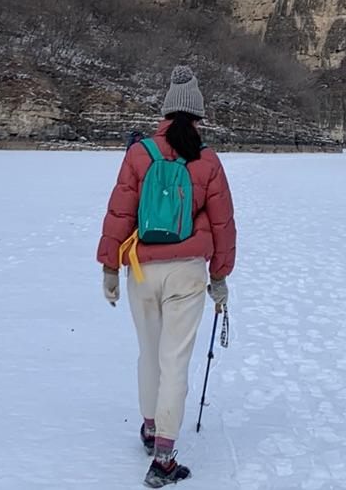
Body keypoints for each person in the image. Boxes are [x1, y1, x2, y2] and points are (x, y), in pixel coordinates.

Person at [97, 66, 237, 487]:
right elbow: (224, 224)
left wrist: (109, 267)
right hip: (187, 273)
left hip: (141, 270)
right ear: (197, 116)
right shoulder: (207, 160)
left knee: (149, 353)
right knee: (175, 360)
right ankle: (163, 459)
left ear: (165, 113)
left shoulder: (139, 154)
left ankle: (149, 427)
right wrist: (220, 277)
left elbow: (119, 212)